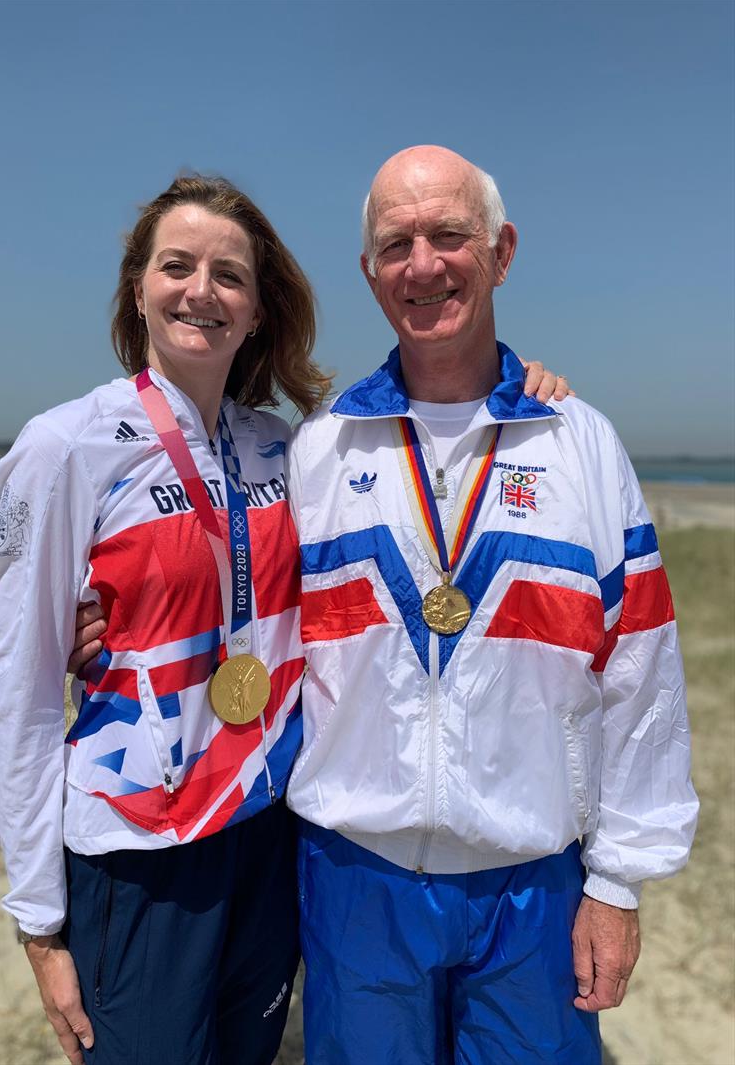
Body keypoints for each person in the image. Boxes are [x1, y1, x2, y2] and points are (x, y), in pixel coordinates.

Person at [282, 146, 698, 1064]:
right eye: (396, 244)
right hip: (357, 881)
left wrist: (619, 883)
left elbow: (644, 675)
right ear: (369, 272)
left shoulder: (581, 444)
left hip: (533, 890)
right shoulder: (320, 448)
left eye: (449, 235)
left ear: (502, 250)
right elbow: (252, 629)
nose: (422, 264)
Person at [0, 174, 331, 1065]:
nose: (201, 291)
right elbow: (18, 691)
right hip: (138, 848)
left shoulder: (284, 448)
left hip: (266, 825)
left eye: (230, 275)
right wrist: (39, 922)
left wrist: (516, 391)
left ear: (256, 310)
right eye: (177, 266)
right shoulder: (66, 446)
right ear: (138, 288)